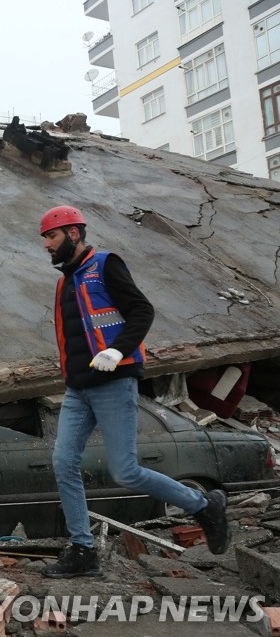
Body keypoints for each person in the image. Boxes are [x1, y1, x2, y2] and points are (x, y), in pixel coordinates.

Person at [38, 205, 230, 578]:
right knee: (63, 463)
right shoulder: (65, 281)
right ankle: (83, 551)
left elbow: (141, 311)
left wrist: (117, 350)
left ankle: (204, 504)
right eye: (45, 238)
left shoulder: (106, 264)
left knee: (125, 471)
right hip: (78, 390)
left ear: (73, 233)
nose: (46, 244)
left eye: (51, 236)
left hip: (113, 382)